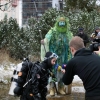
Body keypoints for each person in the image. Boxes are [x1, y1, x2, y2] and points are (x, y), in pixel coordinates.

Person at [41, 15, 73, 96]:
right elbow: (47, 39)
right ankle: (52, 88)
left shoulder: (68, 33)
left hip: (64, 56)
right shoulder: (53, 31)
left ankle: (61, 88)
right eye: (60, 22)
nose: (62, 24)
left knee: (62, 71)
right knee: (52, 71)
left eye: (63, 23)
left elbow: (72, 42)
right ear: (57, 23)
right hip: (53, 56)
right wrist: (44, 41)